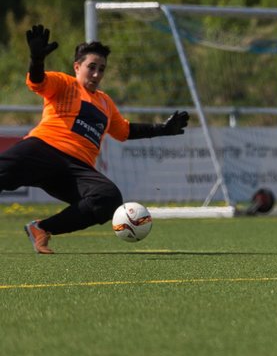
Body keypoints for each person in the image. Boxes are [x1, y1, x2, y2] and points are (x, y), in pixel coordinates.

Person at [0, 24, 190, 253]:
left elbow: (124, 131)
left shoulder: (105, 103)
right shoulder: (64, 83)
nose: (97, 74)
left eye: (102, 69)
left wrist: (162, 129)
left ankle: (41, 228)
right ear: (77, 67)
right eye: (91, 67)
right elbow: (37, 82)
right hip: (44, 149)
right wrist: (36, 59)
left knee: (108, 198)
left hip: (76, 169)